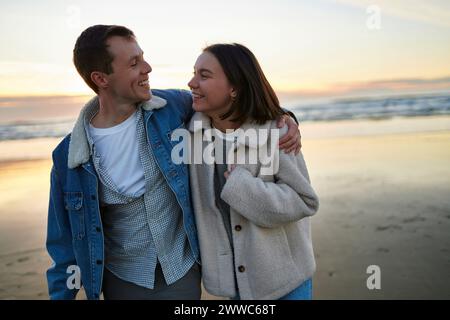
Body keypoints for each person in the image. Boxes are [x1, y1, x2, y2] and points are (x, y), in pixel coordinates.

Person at [46, 25, 301, 300]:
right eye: (134, 63)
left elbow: (234, 102)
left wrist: (282, 118)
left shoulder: (171, 108)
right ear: (101, 78)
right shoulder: (69, 157)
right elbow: (64, 246)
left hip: (182, 273)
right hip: (122, 281)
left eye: (142, 57)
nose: (147, 68)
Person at [186, 43, 319, 300]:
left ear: (234, 87)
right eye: (194, 73)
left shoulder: (276, 132)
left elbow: (305, 201)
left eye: (204, 75)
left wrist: (242, 188)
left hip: (285, 283)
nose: (192, 82)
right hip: (234, 286)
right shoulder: (190, 134)